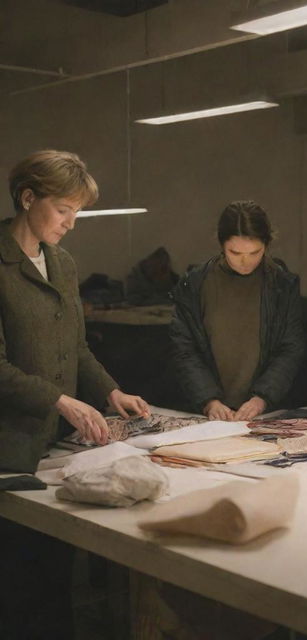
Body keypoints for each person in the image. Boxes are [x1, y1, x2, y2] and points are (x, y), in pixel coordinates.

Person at [0, 149, 149, 638]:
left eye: (76, 212)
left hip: (53, 445)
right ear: (28, 198)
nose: (71, 223)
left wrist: (110, 391)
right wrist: (60, 400)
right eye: (64, 209)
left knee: (56, 579)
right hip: (9, 446)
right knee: (18, 584)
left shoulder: (62, 263)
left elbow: (76, 346)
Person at [170, 200, 306, 421]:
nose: (245, 262)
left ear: (267, 244)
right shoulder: (195, 284)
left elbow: (290, 348)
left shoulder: (282, 285)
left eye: (255, 253)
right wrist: (208, 400)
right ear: (221, 244)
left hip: (267, 411)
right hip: (209, 412)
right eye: (235, 252)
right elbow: (184, 348)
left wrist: (262, 398)